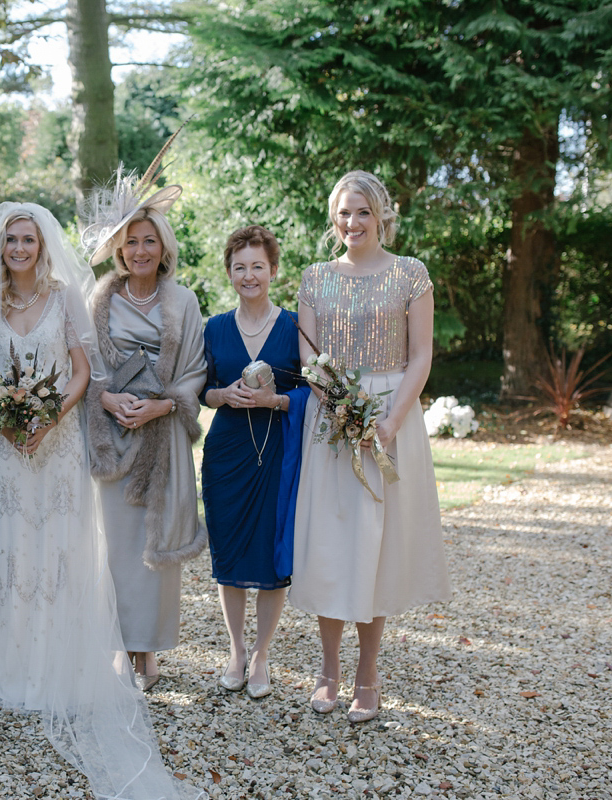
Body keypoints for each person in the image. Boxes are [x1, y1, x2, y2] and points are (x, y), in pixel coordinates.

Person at [0, 202, 199, 799]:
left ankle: (69, 666)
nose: (19, 248)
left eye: (29, 239)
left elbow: (82, 371)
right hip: (13, 449)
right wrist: (13, 424)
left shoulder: (67, 295)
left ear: (43, 246)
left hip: (60, 442)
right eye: (11, 240)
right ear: (1, 247)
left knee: (65, 548)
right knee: (19, 549)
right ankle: (22, 668)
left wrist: (48, 417)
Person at [292, 170, 452, 723]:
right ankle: (328, 669)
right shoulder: (314, 277)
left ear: (381, 214)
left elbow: (422, 355)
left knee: (376, 547)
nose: (352, 223)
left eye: (362, 212)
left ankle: (369, 672)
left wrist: (387, 420)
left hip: (391, 414)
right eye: (343, 213)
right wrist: (340, 408)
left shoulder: (411, 275)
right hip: (332, 422)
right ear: (332, 219)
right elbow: (310, 360)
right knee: (332, 544)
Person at [81, 168, 208, 692]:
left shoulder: (184, 302)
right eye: (130, 241)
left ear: (163, 248)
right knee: (114, 546)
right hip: (111, 435)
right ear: (119, 249)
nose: (139, 250)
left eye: (149, 241)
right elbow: (82, 363)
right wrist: (106, 399)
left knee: (154, 549)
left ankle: (149, 652)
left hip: (162, 436)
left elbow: (197, 370)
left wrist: (163, 408)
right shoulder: (97, 300)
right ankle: (118, 647)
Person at [200, 224, 310, 699]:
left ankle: (263, 655)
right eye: (240, 267)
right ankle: (237, 650)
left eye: (258, 267)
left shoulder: (294, 327)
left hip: (277, 456)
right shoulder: (214, 327)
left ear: (273, 270)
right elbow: (200, 390)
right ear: (229, 272)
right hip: (226, 455)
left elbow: (314, 391)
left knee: (270, 556)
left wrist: (276, 402)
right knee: (228, 556)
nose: (249, 275)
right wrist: (223, 394)